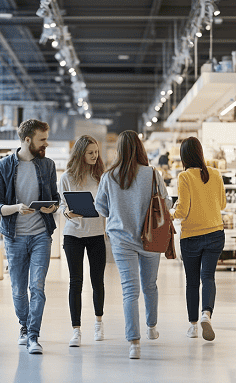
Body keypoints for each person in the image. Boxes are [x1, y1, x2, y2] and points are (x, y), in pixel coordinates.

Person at [95, 130, 171, 359]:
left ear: (119, 150)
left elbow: (101, 208)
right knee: (150, 285)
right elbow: (166, 202)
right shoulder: (152, 174)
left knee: (130, 291)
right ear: (140, 148)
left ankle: (134, 344)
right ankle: (151, 327)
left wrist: (119, 209)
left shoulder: (109, 176)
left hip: (121, 239)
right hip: (150, 237)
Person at [0, 119, 59, 354]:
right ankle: (23, 325)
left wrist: (52, 207)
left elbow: (55, 198)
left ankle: (33, 335)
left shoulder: (47, 165)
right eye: (42, 139)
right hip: (14, 235)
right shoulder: (3, 167)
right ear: (27, 140)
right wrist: (17, 208)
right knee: (19, 290)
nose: (46, 144)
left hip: (41, 234)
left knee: (37, 287)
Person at [172, 137, 226, 341]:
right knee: (208, 277)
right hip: (215, 233)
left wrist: (169, 214)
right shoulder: (215, 173)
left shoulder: (184, 177)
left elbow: (182, 211)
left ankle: (193, 326)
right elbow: (222, 205)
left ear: (184, 156)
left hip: (191, 237)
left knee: (192, 282)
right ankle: (207, 314)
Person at [58, 135, 107, 347]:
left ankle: (98, 322)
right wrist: (68, 214)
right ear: (80, 154)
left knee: (97, 281)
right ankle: (76, 330)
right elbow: (61, 205)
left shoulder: (102, 177)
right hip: (73, 235)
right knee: (75, 281)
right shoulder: (67, 177)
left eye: (96, 152)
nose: (95, 156)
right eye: (90, 153)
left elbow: (108, 204)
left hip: (96, 233)